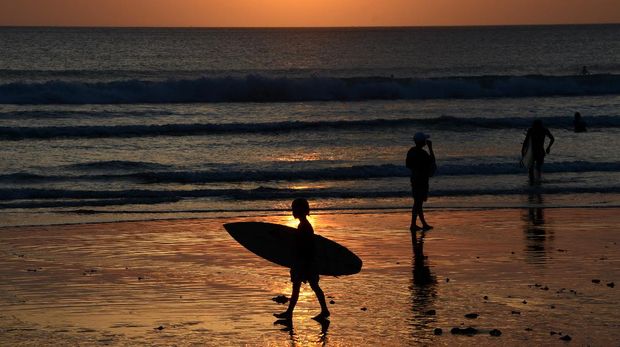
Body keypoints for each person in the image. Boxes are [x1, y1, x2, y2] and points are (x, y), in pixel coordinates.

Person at [274, 198, 330, 320]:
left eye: (294, 209)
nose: (292, 212)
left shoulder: (304, 226)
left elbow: (305, 246)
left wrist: (302, 263)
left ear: (301, 211)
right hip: (307, 261)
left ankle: (323, 310)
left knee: (306, 286)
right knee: (308, 286)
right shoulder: (304, 225)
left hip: (305, 262)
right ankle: (291, 312)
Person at [406, 132, 436, 232]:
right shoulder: (423, 153)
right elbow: (432, 161)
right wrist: (430, 148)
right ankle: (414, 224)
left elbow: (408, 165)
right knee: (418, 203)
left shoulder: (411, 151)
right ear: (422, 142)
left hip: (414, 178)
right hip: (422, 179)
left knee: (417, 202)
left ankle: (421, 224)